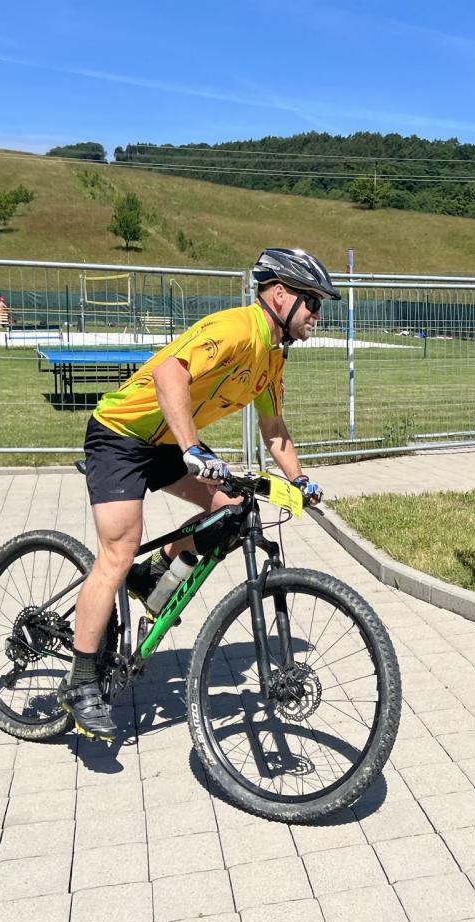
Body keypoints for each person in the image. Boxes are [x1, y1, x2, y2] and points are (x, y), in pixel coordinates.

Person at [61, 248, 338, 739]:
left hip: (169, 441)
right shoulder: (236, 329)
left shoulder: (272, 357)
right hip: (121, 435)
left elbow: (273, 427)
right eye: (312, 302)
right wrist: (192, 448)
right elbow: (169, 372)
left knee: (231, 509)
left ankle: (155, 573)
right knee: (118, 552)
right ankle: (81, 682)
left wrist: (298, 480)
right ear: (280, 295)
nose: (317, 314)